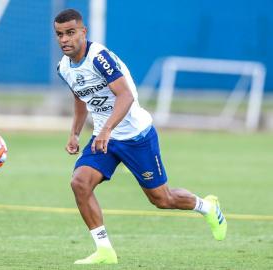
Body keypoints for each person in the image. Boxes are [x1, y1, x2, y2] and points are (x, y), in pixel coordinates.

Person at [54, 9, 227, 265]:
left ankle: (207, 207)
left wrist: (106, 129)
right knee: (79, 183)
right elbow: (80, 97)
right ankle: (104, 250)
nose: (65, 39)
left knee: (162, 199)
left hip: (136, 136)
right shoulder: (64, 68)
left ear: (83, 32)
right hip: (106, 139)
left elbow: (126, 96)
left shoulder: (100, 58)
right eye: (59, 34)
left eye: (70, 32)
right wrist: (75, 133)